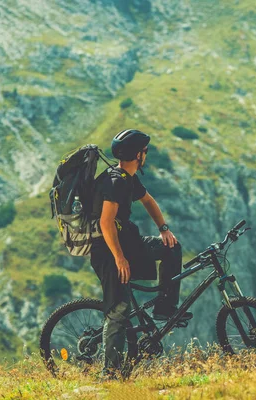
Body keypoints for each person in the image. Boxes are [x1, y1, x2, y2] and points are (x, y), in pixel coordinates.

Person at [90, 129, 192, 378]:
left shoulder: (128, 178)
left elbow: (148, 200)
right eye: (145, 151)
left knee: (172, 247)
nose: (146, 154)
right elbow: (106, 223)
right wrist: (119, 258)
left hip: (128, 243)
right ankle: (109, 373)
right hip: (109, 251)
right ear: (138, 154)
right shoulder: (115, 181)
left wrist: (164, 229)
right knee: (119, 308)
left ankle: (165, 307)